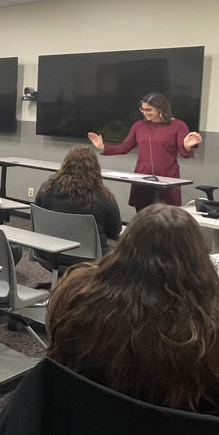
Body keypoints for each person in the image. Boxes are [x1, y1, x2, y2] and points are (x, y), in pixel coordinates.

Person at [46, 204, 219, 413]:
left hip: (86, 418)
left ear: (125, 244)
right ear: (198, 257)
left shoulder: (75, 291)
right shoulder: (207, 326)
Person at [87, 92, 201, 210]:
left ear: (160, 108)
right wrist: (102, 146)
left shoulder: (178, 125)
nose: (145, 113)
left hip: (167, 179)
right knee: (142, 216)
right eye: (143, 109)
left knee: (165, 219)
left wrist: (187, 146)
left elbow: (184, 153)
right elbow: (124, 147)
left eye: (149, 110)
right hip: (142, 178)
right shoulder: (139, 126)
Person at [35, 145, 122, 252]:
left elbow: (36, 218)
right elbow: (114, 232)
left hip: (49, 253)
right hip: (90, 260)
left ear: (65, 165)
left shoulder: (46, 189)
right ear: (96, 168)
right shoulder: (104, 198)